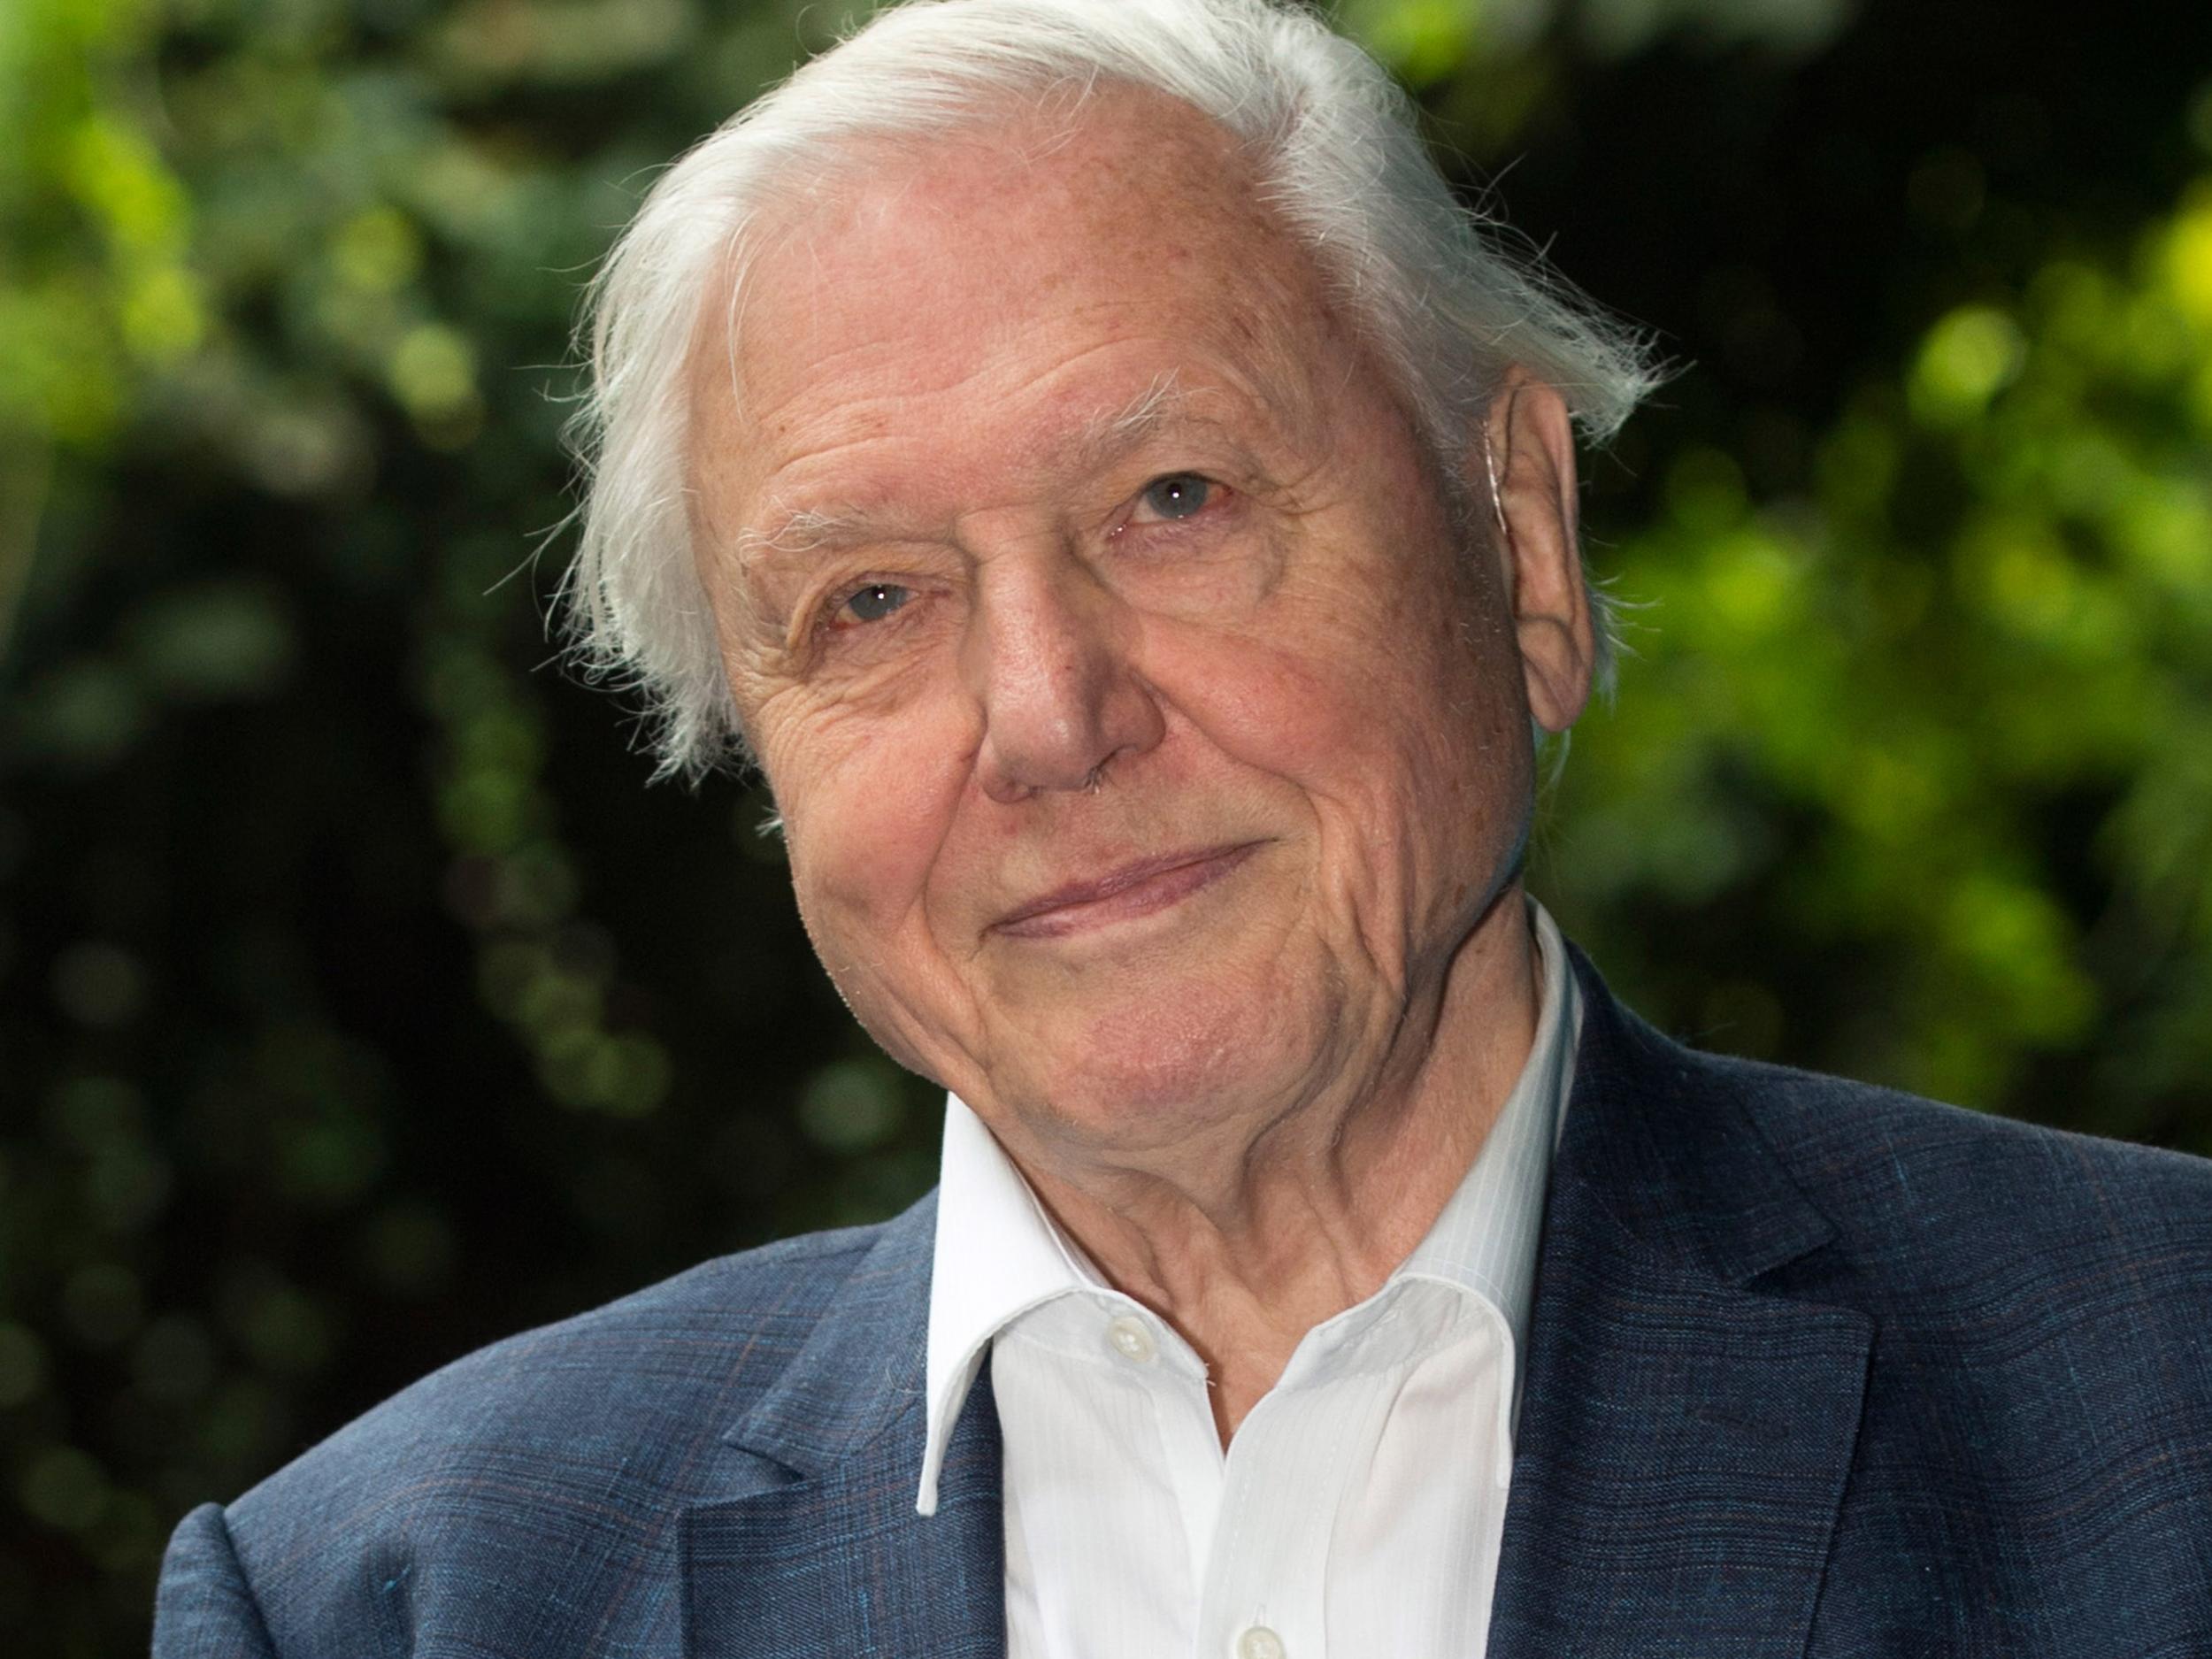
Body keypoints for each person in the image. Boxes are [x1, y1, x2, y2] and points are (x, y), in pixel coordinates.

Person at [154, 1, 2212, 1654]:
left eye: (1174, 503)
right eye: (868, 600)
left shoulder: (2162, 1408)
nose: (1047, 720)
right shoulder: (388, 1600)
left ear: (1516, 546)